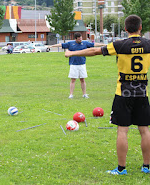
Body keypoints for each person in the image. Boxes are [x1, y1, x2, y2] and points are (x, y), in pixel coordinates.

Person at [65, 15, 150, 175]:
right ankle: (147, 166)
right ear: (140, 28)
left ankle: (121, 169)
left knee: (122, 131)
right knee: (144, 130)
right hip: (142, 94)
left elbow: (94, 51)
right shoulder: (148, 44)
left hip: (123, 94)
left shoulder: (120, 45)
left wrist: (72, 53)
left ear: (125, 29)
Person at [48, 33, 105, 99]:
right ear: (75, 39)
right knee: (73, 80)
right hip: (73, 65)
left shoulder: (85, 43)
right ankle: (71, 94)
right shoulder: (70, 43)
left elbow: (94, 44)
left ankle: (84, 94)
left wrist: (104, 45)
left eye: (81, 38)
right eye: (79, 39)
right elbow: (61, 45)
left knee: (82, 79)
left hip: (82, 64)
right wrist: (52, 46)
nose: (80, 39)